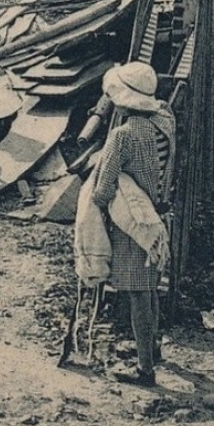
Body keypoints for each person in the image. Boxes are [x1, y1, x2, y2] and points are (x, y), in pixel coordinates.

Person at [85, 62, 176, 386]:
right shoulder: (165, 121)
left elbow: (103, 190)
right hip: (159, 218)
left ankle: (144, 369)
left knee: (137, 293)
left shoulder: (122, 137)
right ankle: (152, 347)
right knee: (151, 287)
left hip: (133, 225)